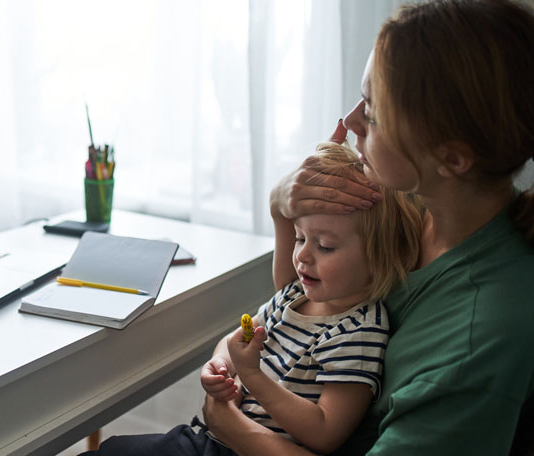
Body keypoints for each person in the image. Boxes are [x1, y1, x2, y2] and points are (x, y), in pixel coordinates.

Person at [203, 0, 534, 454]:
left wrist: (228, 424)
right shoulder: (407, 206)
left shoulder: (481, 335)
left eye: (375, 114)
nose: (352, 119)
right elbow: (310, 302)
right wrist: (285, 204)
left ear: (452, 158)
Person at [83, 141, 424, 455]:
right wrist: (218, 366)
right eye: (299, 238)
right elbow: (236, 340)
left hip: (240, 449)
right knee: (114, 449)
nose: (303, 256)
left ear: (379, 255)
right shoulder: (293, 295)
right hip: (207, 439)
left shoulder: (359, 332)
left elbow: (324, 432)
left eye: (325, 245)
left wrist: (253, 376)